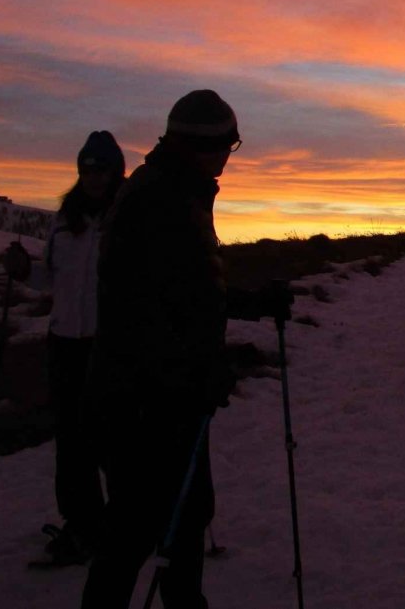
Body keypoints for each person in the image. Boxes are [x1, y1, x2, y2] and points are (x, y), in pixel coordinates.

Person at [81, 90, 291, 609]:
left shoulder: (175, 191)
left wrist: (254, 303)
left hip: (161, 396)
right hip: (144, 404)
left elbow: (190, 292)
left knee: (182, 516)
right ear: (205, 145)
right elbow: (142, 312)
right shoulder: (163, 201)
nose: (228, 160)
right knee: (135, 530)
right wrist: (192, 372)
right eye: (228, 147)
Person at [3, 130, 126, 565]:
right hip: (65, 344)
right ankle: (84, 529)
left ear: (116, 171)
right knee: (72, 445)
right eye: (87, 168)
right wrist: (23, 273)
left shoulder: (127, 218)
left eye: (101, 168)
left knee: (113, 442)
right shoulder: (65, 219)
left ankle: (130, 521)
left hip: (109, 345)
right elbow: (53, 279)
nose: (93, 176)